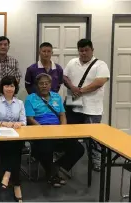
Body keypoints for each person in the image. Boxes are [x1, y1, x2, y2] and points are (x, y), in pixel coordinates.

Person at [25, 73, 84, 188]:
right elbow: (30, 119)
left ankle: (55, 167)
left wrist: (63, 128)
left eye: (47, 83)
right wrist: (42, 130)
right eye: (41, 83)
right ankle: (52, 175)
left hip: (57, 131)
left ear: (50, 85)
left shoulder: (56, 97)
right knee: (46, 147)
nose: (44, 86)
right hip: (40, 131)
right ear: (37, 85)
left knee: (78, 148)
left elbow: (62, 115)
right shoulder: (30, 98)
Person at [63, 38, 110, 171]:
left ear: (92, 50)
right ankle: (67, 159)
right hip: (73, 106)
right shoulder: (72, 62)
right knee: (68, 134)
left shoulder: (100, 65)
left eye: (86, 50)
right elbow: (64, 77)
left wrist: (80, 91)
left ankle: (96, 161)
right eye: (81, 50)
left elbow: (99, 82)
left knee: (94, 138)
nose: (83, 53)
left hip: (92, 109)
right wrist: (72, 87)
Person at [0, 76, 25, 202]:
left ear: (15, 88)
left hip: (16, 136)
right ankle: (17, 185)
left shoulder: (20, 103)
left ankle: (7, 174)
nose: (9, 88)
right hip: (0, 136)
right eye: (6, 86)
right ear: (2, 87)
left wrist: (18, 124)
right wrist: (4, 124)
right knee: (14, 150)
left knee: (15, 146)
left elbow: (24, 121)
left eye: (12, 86)